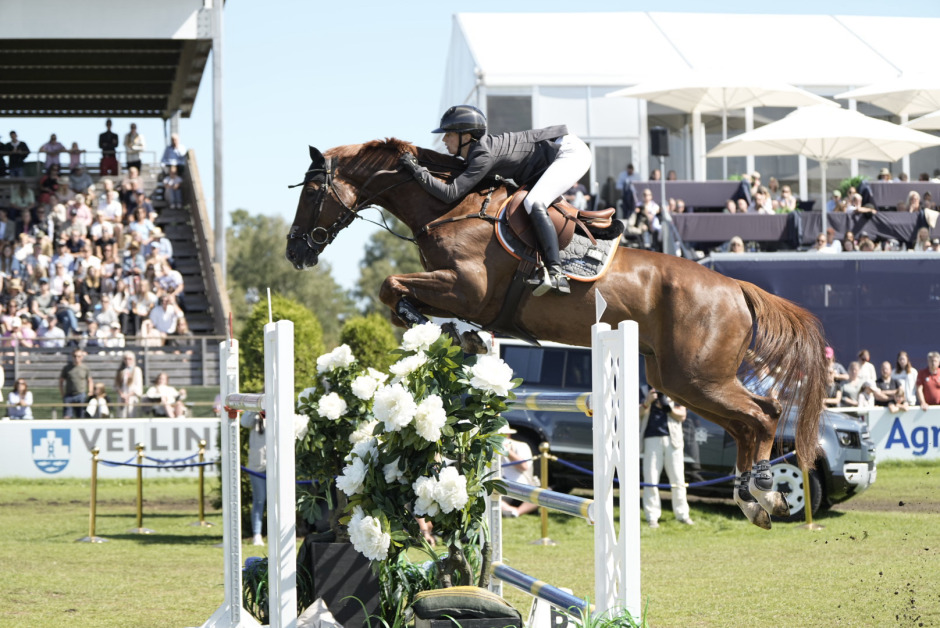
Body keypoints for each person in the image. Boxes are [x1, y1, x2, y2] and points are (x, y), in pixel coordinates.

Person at [399, 105, 590, 296]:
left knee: (533, 202)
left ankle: (556, 273)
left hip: (569, 153)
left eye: (449, 134)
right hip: (550, 158)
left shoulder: (483, 156)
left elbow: (450, 193)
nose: (444, 139)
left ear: (466, 137)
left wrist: (417, 171)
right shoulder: (477, 153)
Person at [640, 389, 693, 527]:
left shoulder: (674, 389)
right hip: (651, 439)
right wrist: (647, 402)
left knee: (678, 479)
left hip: (673, 439)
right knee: (651, 479)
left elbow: (682, 415)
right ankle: (652, 516)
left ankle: (682, 515)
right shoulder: (643, 390)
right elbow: (634, 414)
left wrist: (667, 408)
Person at [498, 425, 539, 518]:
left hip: (523, 487)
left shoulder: (522, 446)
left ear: (508, 435)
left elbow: (524, 466)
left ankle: (516, 512)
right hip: (503, 488)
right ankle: (509, 510)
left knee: (543, 494)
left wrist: (508, 452)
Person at [241, 410, 267, 545]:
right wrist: (255, 407)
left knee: (278, 501)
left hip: (277, 466)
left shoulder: (280, 411)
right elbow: (244, 422)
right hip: (257, 466)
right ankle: (257, 534)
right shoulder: (255, 416)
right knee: (259, 500)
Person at [59, 348, 93, 419]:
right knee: (67, 416)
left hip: (80, 395)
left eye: (79, 356)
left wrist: (90, 391)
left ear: (82, 357)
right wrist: (62, 393)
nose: (77, 358)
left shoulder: (85, 368)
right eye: (75, 356)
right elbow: (61, 381)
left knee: (81, 416)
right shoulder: (67, 368)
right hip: (69, 395)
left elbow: (89, 380)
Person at [114, 350, 143, 418]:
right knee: (121, 417)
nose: (128, 361)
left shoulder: (137, 370)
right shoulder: (120, 371)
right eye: (126, 359)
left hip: (132, 398)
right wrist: (122, 395)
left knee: (131, 416)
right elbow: (116, 385)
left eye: (130, 359)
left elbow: (138, 386)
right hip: (122, 397)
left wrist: (128, 396)